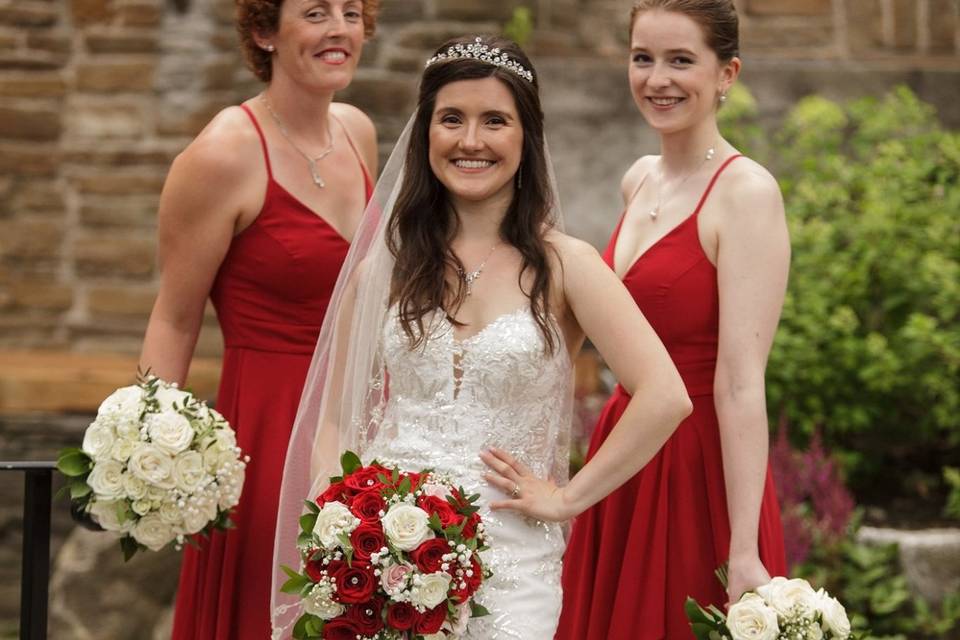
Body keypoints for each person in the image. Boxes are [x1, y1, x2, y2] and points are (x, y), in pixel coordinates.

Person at [271, 35, 692, 638]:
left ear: (527, 137)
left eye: (495, 120)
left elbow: (665, 395)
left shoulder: (567, 265)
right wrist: (344, 520)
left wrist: (569, 498)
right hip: (384, 554)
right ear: (426, 136)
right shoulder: (381, 272)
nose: (471, 141)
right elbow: (336, 420)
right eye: (452, 120)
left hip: (513, 561)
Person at [136, 1, 379, 637]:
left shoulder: (358, 132)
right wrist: (149, 451)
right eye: (317, 12)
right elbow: (175, 318)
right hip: (269, 425)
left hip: (360, 414)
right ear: (265, 31)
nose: (340, 30)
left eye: (351, 12)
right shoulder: (222, 154)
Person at [557, 1, 790, 638]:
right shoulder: (639, 180)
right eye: (643, 58)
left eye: (681, 60)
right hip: (624, 452)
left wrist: (743, 549)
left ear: (727, 74)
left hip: (699, 466)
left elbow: (741, 383)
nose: (657, 78)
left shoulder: (746, 195)